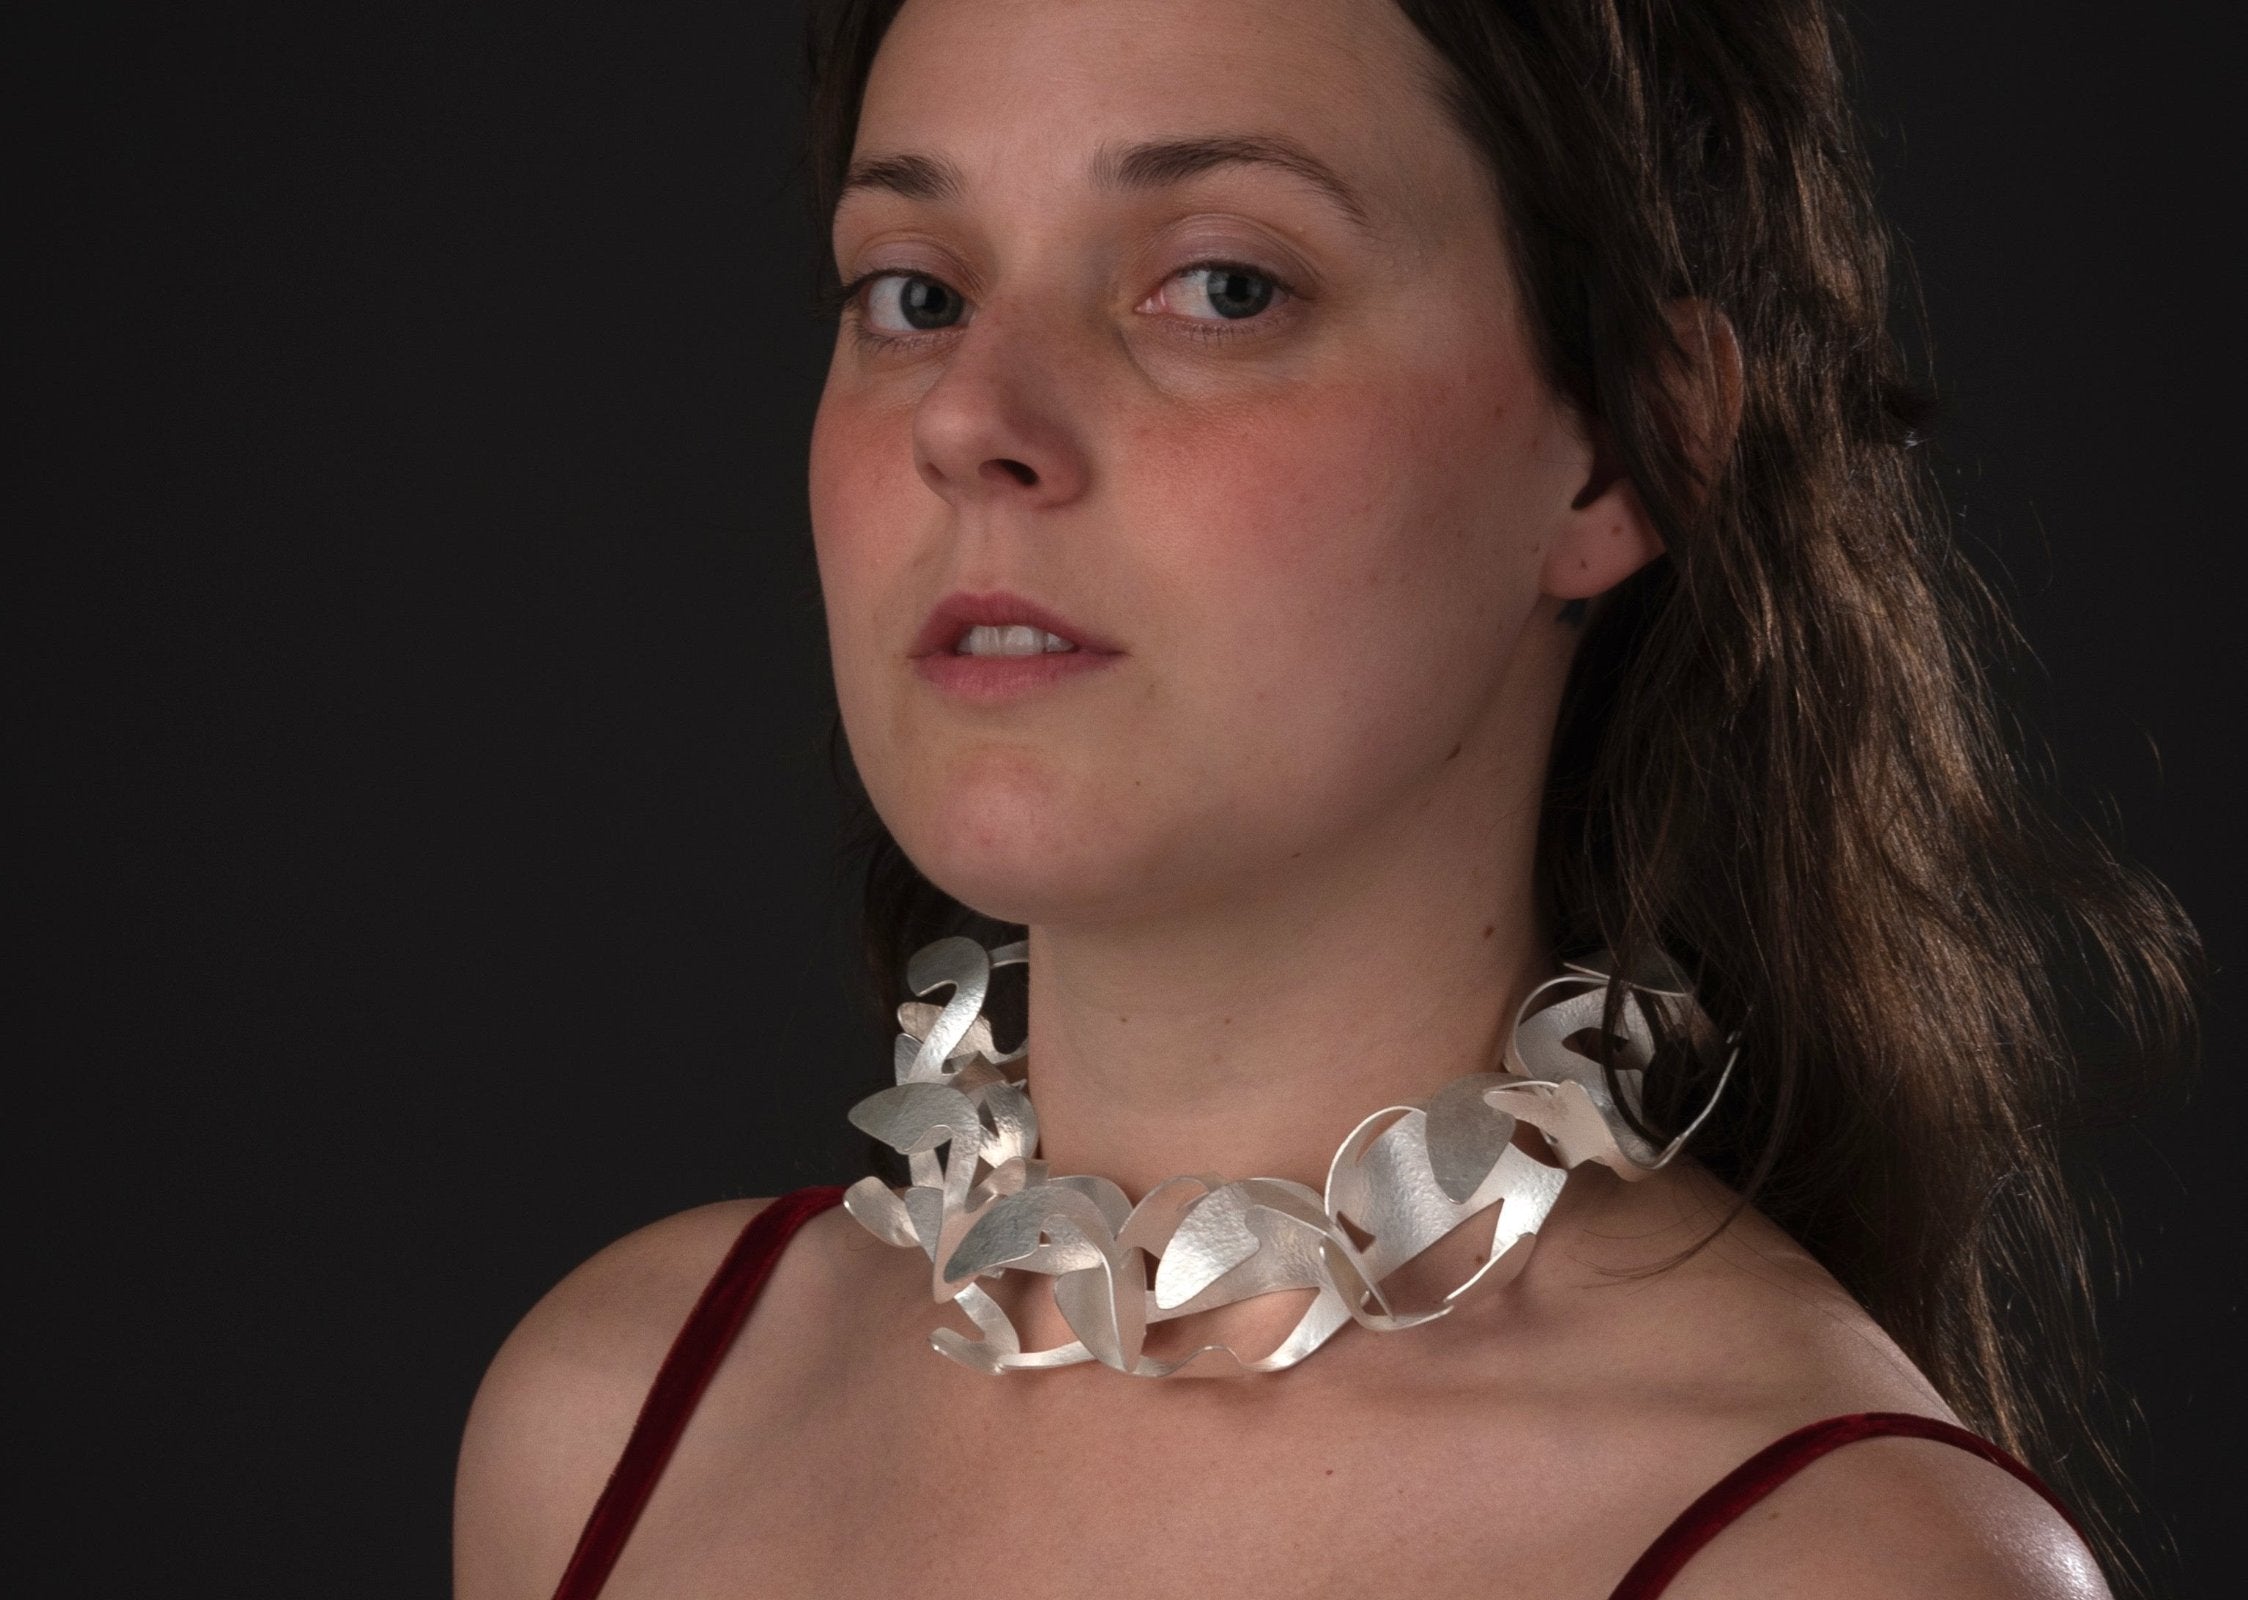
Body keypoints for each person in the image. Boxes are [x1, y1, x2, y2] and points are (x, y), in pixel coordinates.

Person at [452, 1, 2197, 1595]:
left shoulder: (1841, 1567)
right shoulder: (612, 1429)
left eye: (1222, 286)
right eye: (916, 292)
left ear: (1621, 449)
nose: (973, 416)